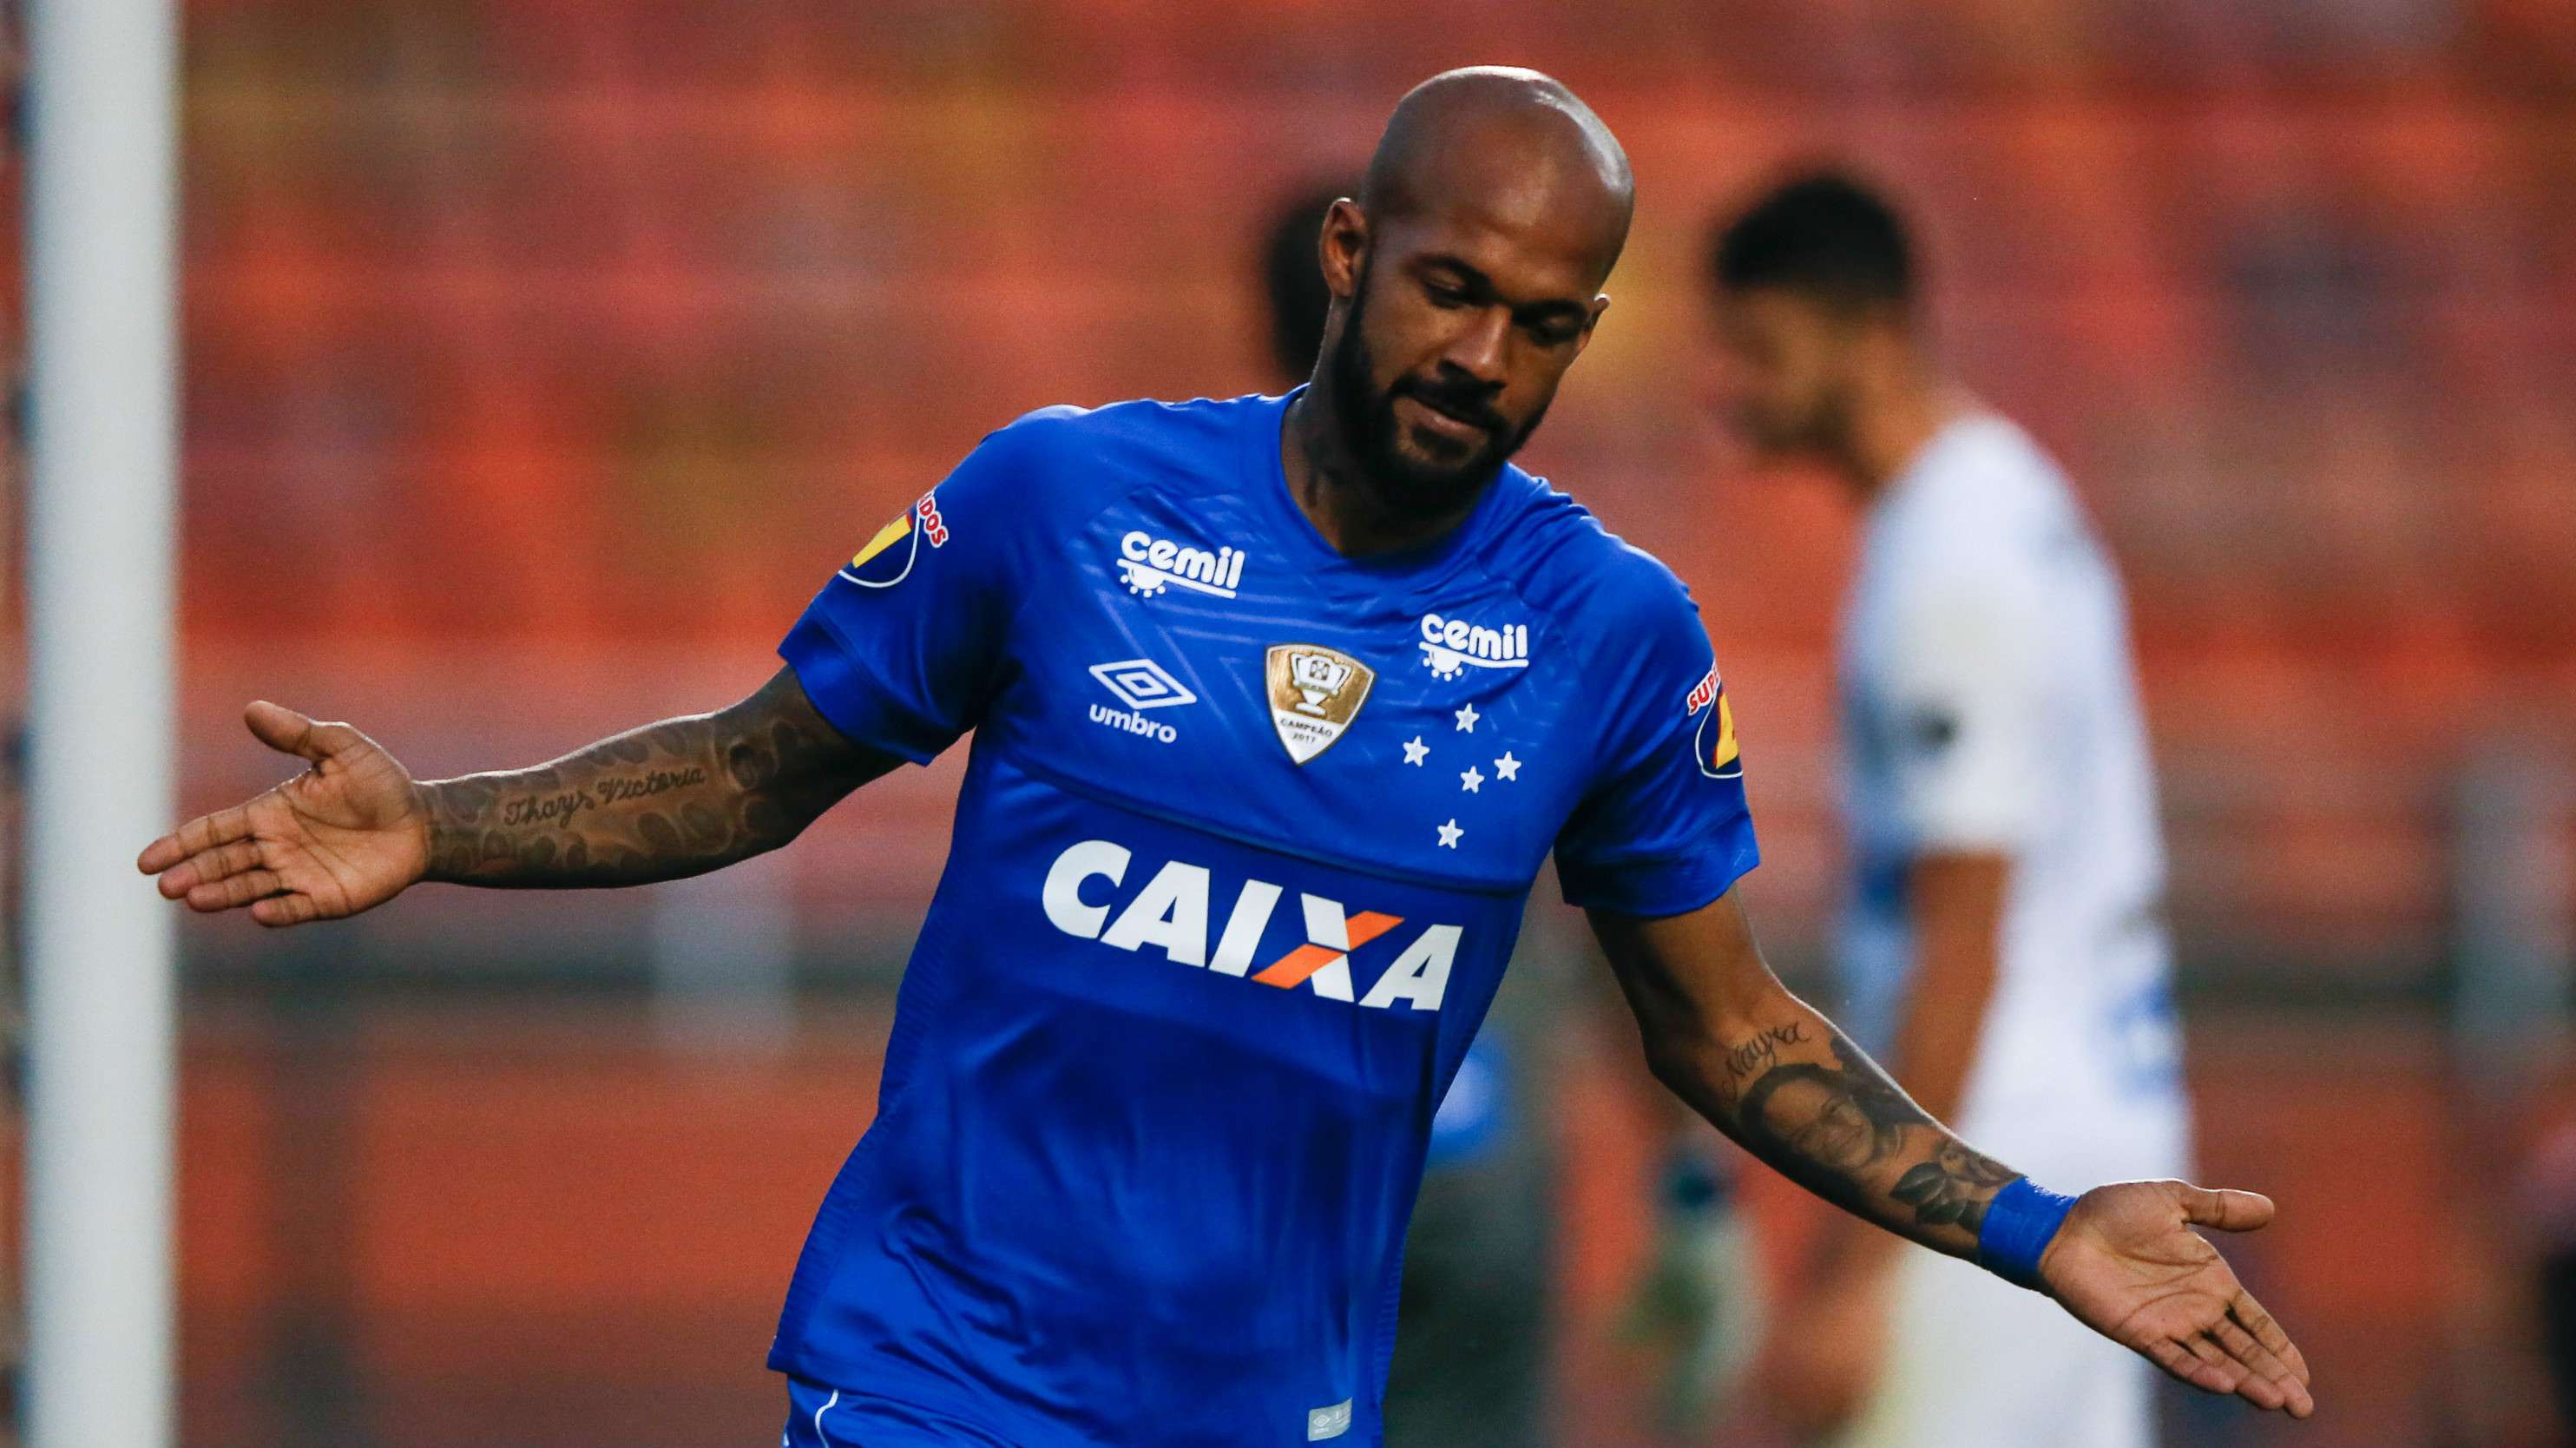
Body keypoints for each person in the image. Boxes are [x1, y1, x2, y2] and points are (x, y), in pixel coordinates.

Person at [141, 69, 2309, 1448]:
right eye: (1449, 289)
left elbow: (1728, 1033)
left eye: (1546, 325)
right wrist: (439, 824)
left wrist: (2032, 1227)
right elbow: (749, 768)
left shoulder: (1611, 638)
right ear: (1352, 254)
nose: (1483, 356)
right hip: (942, 1379)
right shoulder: (1062, 503)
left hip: (1275, 1409)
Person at [1706, 172, 2198, 1448]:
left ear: (1870, 335)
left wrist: (1858, 1272)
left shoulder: (1950, 561)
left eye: (1763, 349)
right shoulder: (2006, 494)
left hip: (1998, 1157)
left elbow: (1961, 938)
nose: (1734, 388)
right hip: (2093, 1122)